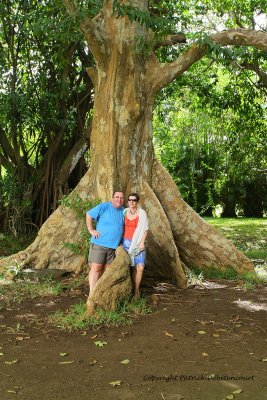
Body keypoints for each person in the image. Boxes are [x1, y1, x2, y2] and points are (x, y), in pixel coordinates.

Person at [86, 191, 124, 292]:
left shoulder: (124, 211)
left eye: (121, 198)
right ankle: (92, 294)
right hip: (99, 244)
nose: (119, 199)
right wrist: (91, 230)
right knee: (96, 268)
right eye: (117, 197)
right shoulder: (104, 207)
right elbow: (89, 215)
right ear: (112, 198)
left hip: (114, 247)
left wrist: (122, 242)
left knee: (107, 271)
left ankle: (100, 292)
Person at [123, 193, 149, 299]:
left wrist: (142, 242)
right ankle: (131, 289)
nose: (131, 202)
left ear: (137, 201)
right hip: (126, 243)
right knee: (131, 267)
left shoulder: (142, 213)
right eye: (130, 200)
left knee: (140, 267)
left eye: (134, 200)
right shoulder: (124, 212)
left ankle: (137, 290)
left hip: (138, 243)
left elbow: (145, 229)